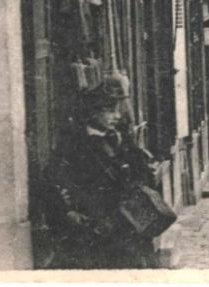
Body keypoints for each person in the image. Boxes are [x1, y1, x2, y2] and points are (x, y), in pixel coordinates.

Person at [37, 80, 165, 270]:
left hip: (127, 225)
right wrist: (67, 212)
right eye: (110, 111)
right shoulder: (74, 143)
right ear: (92, 112)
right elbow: (51, 180)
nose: (117, 116)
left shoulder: (121, 137)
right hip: (93, 228)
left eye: (118, 110)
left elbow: (141, 171)